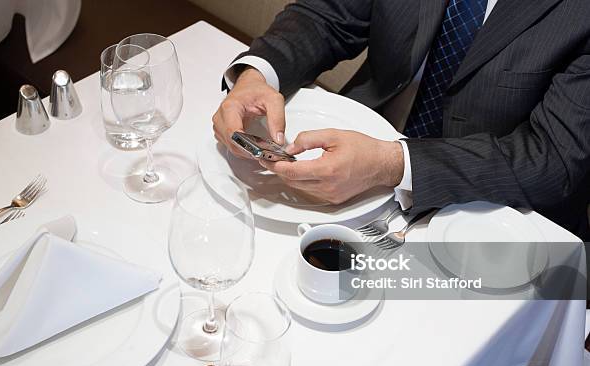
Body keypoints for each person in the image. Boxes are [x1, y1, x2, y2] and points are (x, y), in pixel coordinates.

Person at [212, 0, 590, 240]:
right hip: (350, 146)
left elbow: (554, 159)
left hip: (490, 210)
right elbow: (328, 15)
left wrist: (392, 164)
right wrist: (257, 75)